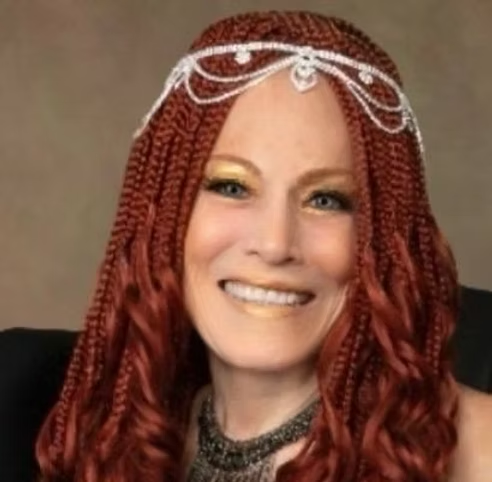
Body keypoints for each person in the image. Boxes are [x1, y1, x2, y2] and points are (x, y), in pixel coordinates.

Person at [34, 10, 492, 482]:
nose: (275, 245)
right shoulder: (91, 433)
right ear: (161, 214)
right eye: (232, 187)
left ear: (384, 237)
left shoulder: (481, 452)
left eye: (325, 199)